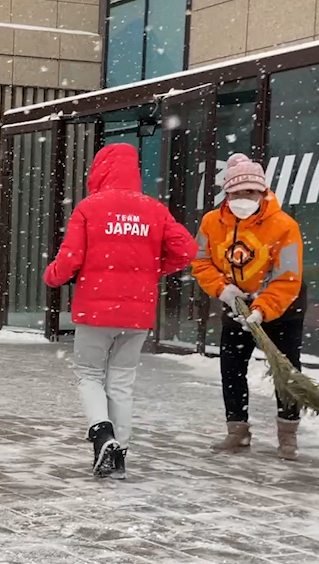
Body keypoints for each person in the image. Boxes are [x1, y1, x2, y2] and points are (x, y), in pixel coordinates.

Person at [44, 143, 198, 479]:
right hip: (137, 313)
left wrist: (52, 275)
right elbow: (187, 250)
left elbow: (70, 260)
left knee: (89, 374)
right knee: (122, 382)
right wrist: (154, 268)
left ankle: (102, 435)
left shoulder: (89, 208)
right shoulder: (154, 210)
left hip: (95, 310)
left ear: (99, 170)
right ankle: (120, 454)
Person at [192, 153, 306, 460]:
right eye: (238, 192)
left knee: (286, 372)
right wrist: (224, 290)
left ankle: (288, 435)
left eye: (251, 192)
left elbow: (288, 276)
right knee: (231, 368)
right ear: (227, 193)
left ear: (263, 192)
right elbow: (201, 261)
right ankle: (237, 433)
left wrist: (263, 308)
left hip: (283, 307)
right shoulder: (211, 223)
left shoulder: (284, 226)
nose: (245, 197)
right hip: (236, 303)